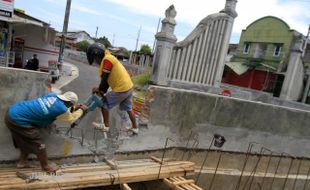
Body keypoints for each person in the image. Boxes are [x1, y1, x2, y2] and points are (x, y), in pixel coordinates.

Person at [4, 91, 88, 173]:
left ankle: (23, 162)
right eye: (71, 105)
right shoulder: (62, 110)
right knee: (38, 144)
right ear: (70, 104)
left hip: (13, 112)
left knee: (25, 140)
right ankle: (46, 167)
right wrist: (81, 110)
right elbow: (71, 118)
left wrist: (74, 108)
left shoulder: (52, 95)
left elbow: (56, 108)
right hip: (18, 119)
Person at [92, 48, 138, 134]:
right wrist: (101, 90)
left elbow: (105, 79)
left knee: (104, 104)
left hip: (122, 88)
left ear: (98, 56)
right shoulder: (109, 57)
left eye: (95, 59)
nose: (96, 61)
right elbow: (107, 82)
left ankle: (106, 126)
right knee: (129, 108)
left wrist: (100, 91)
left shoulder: (107, 60)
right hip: (129, 86)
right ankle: (135, 128)